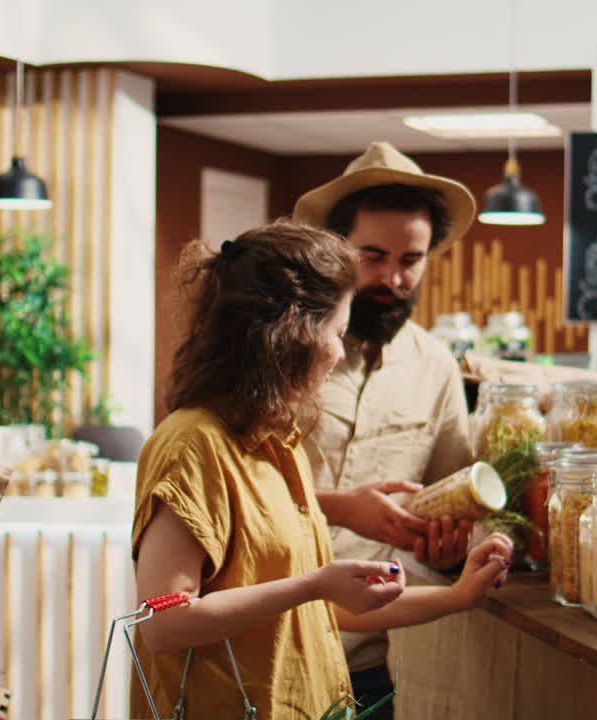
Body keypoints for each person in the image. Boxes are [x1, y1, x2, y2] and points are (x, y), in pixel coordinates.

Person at [131, 221, 512, 720]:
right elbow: (164, 621)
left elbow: (321, 611)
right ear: (290, 336)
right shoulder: (191, 444)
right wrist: (313, 584)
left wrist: (459, 596)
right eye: (335, 332)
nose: (338, 351)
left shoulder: (277, 446)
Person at [292, 142, 480, 713]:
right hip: (272, 647)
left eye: (411, 259)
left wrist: (449, 551)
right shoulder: (285, 357)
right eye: (372, 256)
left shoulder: (437, 367)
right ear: (335, 250)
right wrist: (339, 505)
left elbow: (453, 498)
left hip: (369, 661)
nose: (393, 278)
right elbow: (230, 492)